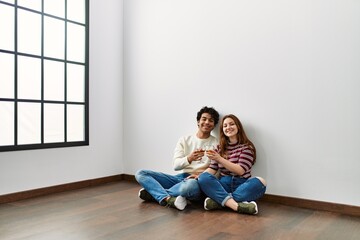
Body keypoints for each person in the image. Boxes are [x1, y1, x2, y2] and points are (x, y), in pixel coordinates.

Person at [135, 106, 220, 210]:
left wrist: (201, 176)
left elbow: (218, 170)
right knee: (141, 173)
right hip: (180, 178)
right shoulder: (184, 140)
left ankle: (155, 194)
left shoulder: (217, 144)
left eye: (211, 121)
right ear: (198, 121)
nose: (207, 122)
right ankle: (167, 198)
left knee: (189, 187)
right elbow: (176, 165)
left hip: (198, 181)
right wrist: (189, 158)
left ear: (214, 126)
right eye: (204, 119)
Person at [198, 114, 267, 215]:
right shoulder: (219, 148)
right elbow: (212, 169)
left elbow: (240, 170)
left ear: (238, 126)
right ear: (222, 130)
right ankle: (236, 206)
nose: (228, 127)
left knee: (261, 182)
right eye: (225, 126)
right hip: (223, 185)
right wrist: (199, 177)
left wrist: (219, 158)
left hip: (242, 185)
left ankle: (219, 201)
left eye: (231, 124)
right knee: (203, 177)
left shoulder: (247, 148)